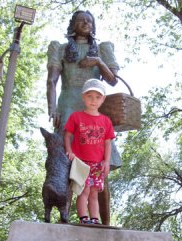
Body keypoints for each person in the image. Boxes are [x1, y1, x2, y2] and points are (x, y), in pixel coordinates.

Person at [46, 10, 121, 225]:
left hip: (95, 109)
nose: (86, 23)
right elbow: (51, 81)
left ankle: (102, 221)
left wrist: (98, 61)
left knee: (99, 167)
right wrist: (52, 108)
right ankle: (65, 216)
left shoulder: (102, 49)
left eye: (90, 20)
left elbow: (113, 80)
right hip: (69, 104)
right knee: (67, 165)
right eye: (81, 20)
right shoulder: (59, 48)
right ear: (73, 24)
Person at [64, 78, 115, 224]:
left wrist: (106, 161)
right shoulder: (76, 117)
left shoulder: (106, 121)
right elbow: (67, 135)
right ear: (83, 97)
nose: (94, 100)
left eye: (98, 97)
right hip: (81, 163)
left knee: (94, 192)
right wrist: (69, 151)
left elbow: (107, 143)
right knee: (84, 190)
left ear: (103, 99)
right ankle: (83, 218)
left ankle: (94, 219)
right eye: (90, 96)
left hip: (98, 164)